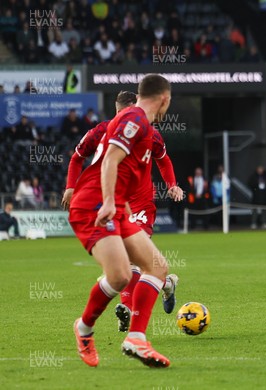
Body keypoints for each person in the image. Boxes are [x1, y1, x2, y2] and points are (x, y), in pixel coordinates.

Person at [68, 74, 174, 368]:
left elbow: (119, 166)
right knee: (119, 277)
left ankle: (136, 338)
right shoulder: (136, 119)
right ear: (164, 98)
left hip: (114, 206)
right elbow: (111, 159)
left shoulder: (139, 122)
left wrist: (121, 203)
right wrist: (111, 202)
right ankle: (84, 328)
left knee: (157, 267)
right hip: (94, 205)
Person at [248, 165, 266, 229]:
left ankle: (264, 223)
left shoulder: (265, 176)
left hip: (264, 196)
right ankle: (253, 223)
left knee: (264, 211)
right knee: (254, 210)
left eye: (261, 169)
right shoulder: (253, 177)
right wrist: (256, 184)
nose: (260, 170)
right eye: (259, 169)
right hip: (256, 196)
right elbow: (250, 184)